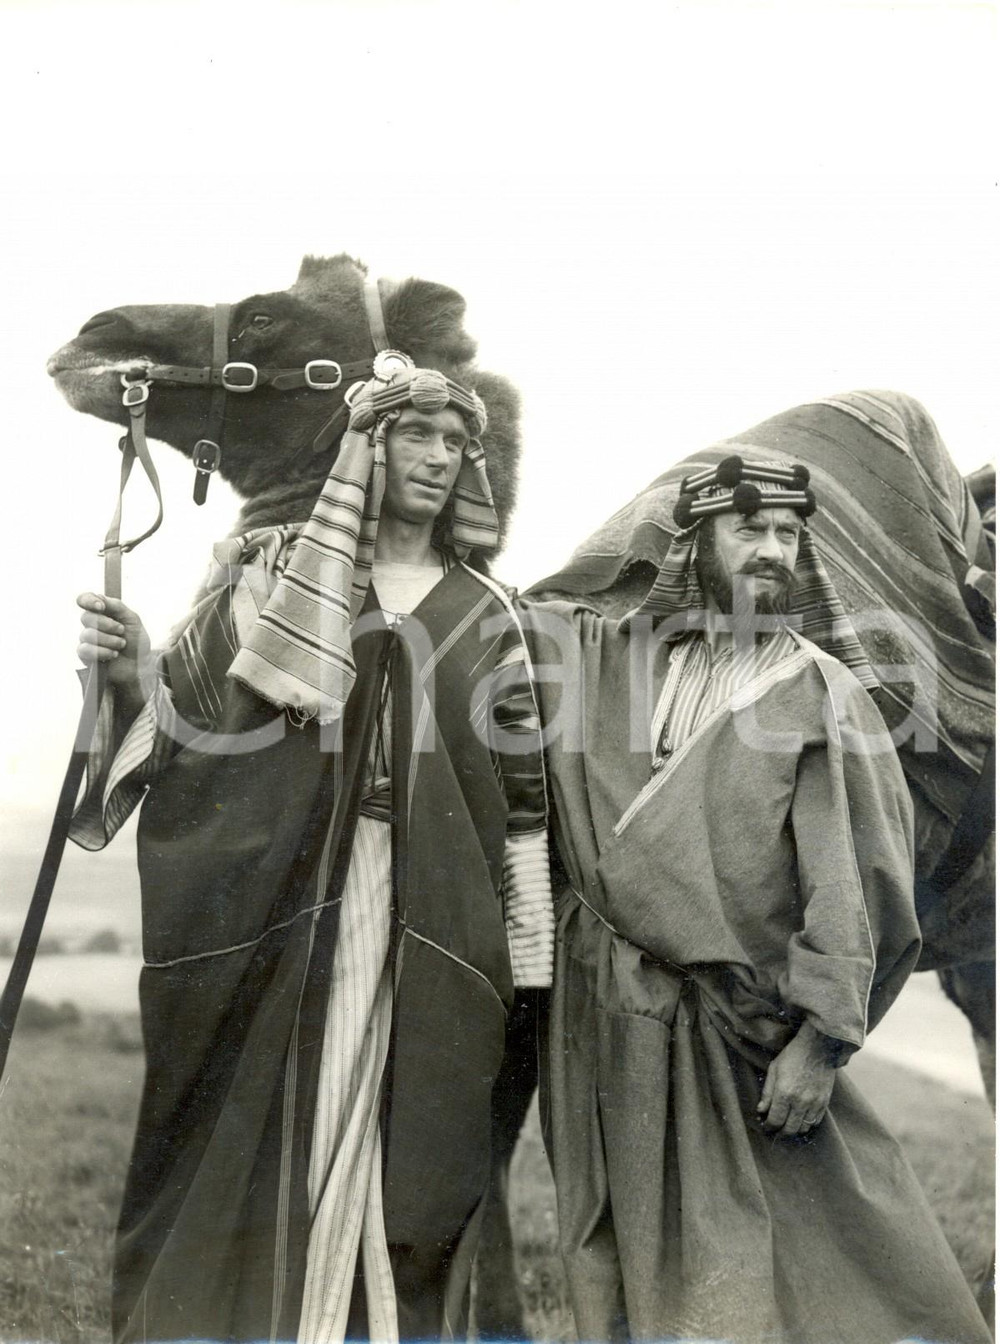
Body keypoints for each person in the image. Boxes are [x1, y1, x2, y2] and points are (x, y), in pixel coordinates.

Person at [72, 359, 553, 1344]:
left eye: (454, 441)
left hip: (436, 934)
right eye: (415, 432)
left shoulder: (489, 616)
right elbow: (192, 728)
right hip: (279, 921)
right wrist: (128, 674)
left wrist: (528, 973)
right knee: (258, 1138)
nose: (437, 456)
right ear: (366, 443)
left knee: (410, 1160)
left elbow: (522, 806)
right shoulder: (275, 578)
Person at [526, 457, 992, 1343]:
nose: (773, 550)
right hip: (603, 1027)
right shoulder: (614, 659)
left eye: (788, 533)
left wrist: (820, 1044)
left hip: (740, 1037)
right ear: (694, 542)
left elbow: (856, 884)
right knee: (613, 1258)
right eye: (750, 529)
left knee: (794, 1271)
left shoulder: (820, 694)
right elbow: (533, 608)